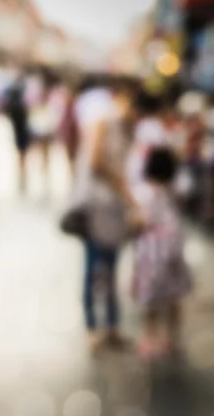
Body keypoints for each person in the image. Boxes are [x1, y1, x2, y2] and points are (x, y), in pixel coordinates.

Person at [74, 79, 139, 351]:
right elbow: (96, 161)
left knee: (110, 267)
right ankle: (93, 327)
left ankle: (111, 326)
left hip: (112, 206)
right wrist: (124, 189)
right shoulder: (104, 122)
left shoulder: (125, 129)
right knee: (94, 266)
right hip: (98, 204)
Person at [133, 148, 191, 360]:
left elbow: (140, 220)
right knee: (173, 297)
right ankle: (172, 339)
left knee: (150, 300)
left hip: (151, 252)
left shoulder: (142, 191)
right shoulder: (175, 190)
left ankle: (149, 339)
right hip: (174, 247)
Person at [3, 80, 31, 193]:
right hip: (22, 133)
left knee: (20, 157)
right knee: (22, 157)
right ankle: (22, 177)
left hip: (17, 133)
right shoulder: (21, 107)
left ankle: (21, 177)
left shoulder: (12, 107)